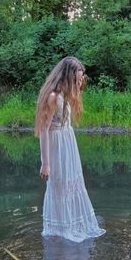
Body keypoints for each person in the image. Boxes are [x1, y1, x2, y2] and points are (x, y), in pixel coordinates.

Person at [34, 57, 106, 242]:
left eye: (82, 79)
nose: (80, 83)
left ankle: (70, 223)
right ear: (67, 77)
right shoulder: (53, 97)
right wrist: (46, 163)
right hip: (57, 147)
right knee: (59, 186)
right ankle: (60, 227)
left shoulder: (65, 97)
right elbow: (44, 130)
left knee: (71, 185)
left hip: (68, 144)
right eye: (78, 79)